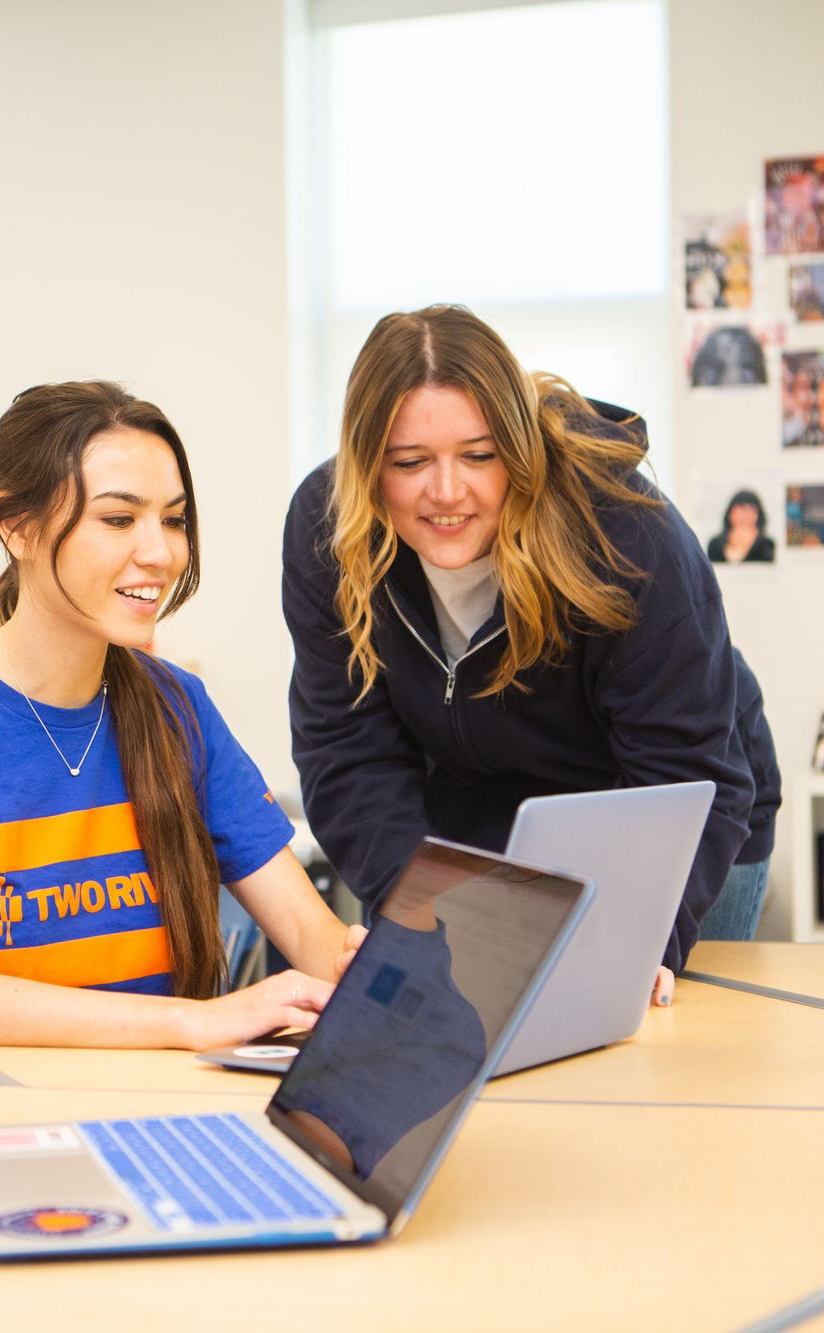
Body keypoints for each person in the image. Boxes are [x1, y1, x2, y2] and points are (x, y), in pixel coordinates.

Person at [0, 381, 364, 1080]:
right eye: (120, 520)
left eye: (175, 519)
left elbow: (308, 928)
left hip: (159, 1114)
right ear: (17, 525)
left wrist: (358, 968)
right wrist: (192, 1020)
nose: (160, 552)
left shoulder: (176, 706)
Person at [282, 306, 780, 998]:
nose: (447, 491)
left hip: (670, 816)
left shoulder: (623, 532)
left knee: (648, 1052)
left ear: (519, 449)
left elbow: (685, 772)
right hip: (468, 819)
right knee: (452, 1041)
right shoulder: (326, 531)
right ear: (367, 466)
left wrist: (639, 942)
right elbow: (348, 754)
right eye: (409, 462)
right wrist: (421, 920)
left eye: (480, 455)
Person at [707, 489, 777, 564]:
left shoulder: (766, 546)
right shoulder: (715, 545)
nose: (745, 516)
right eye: (741, 510)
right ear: (730, 513)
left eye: (751, 511)